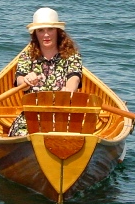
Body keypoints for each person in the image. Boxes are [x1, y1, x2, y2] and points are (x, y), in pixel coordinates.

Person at [8, 7, 83, 136]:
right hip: (33, 115)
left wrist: (69, 91)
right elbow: (20, 81)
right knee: (21, 134)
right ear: (35, 33)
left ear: (58, 31)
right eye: (41, 30)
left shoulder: (71, 54)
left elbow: (74, 77)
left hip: (63, 113)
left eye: (50, 29)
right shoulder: (27, 55)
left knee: (76, 135)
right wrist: (26, 80)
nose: (46, 35)